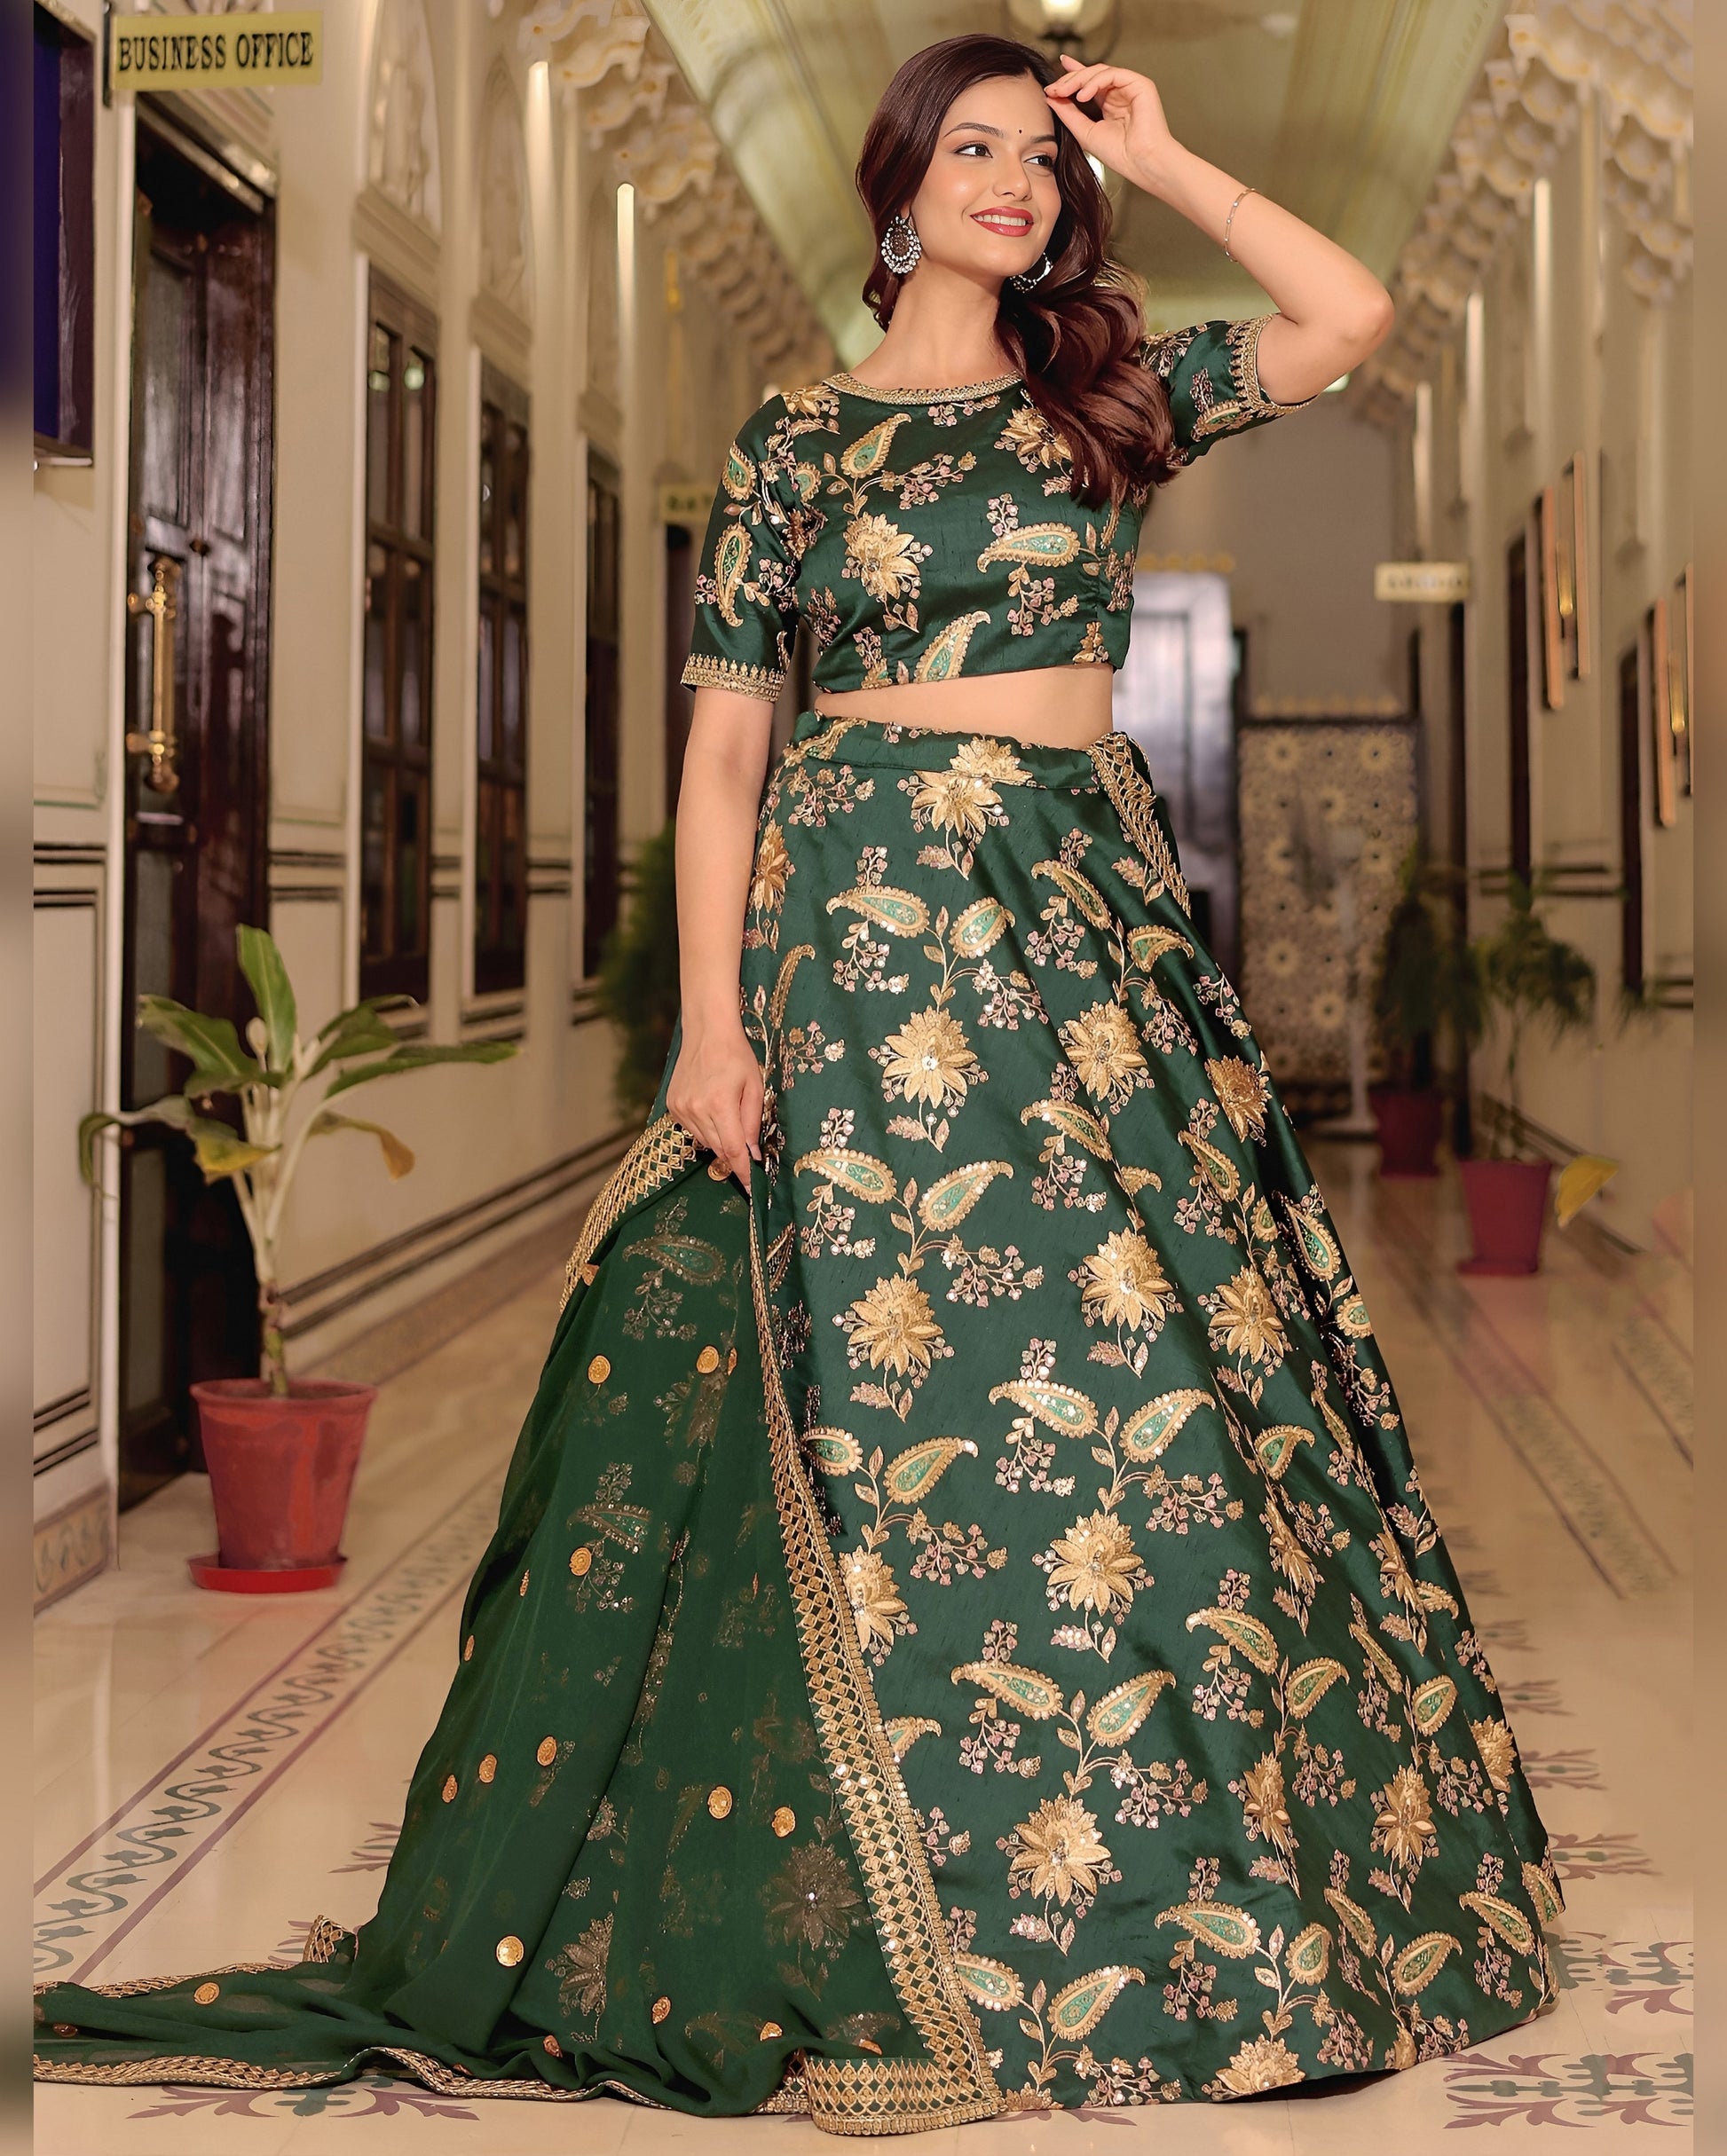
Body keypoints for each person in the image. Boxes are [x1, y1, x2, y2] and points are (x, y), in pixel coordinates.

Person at [35, 35, 1563, 2132]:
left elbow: (1346, 317)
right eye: (974, 147)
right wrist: (711, 1020)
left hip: (1081, 940)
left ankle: (1189, 1902)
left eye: (1041, 154)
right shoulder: (793, 444)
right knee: (888, 1383)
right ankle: (879, 1888)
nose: (1013, 181)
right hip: (859, 952)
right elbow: (729, 749)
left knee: (1152, 1387)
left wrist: (1173, 153)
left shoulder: (1097, 403)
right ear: (897, 186)